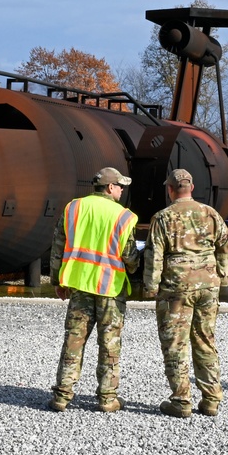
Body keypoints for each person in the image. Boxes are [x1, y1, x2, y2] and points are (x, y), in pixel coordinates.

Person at [48, 166, 139, 413]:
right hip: (110, 287)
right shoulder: (124, 216)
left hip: (79, 285)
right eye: (120, 186)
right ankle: (107, 399)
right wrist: (136, 267)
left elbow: (58, 247)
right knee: (110, 344)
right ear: (110, 187)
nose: (122, 190)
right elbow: (129, 257)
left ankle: (62, 396)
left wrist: (58, 281)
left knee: (73, 341)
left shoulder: (73, 208)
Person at [144, 168, 228, 418]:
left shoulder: (163, 217)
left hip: (176, 287)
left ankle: (181, 401)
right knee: (205, 340)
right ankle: (211, 399)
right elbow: (225, 246)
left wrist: (151, 285)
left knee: (175, 343)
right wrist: (223, 278)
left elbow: (155, 253)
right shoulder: (211, 213)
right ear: (191, 188)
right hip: (207, 284)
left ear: (170, 189)